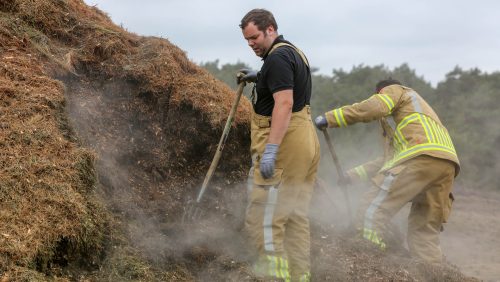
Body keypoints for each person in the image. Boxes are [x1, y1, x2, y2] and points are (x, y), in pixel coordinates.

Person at [314, 79, 460, 264]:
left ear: (380, 91)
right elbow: (388, 160)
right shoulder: (418, 120)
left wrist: (331, 117)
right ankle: (435, 272)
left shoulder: (396, 90)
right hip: (446, 165)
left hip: (419, 157)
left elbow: (374, 107)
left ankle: (370, 261)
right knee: (424, 232)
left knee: (371, 210)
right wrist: (352, 175)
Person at [237, 8, 320, 281]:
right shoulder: (293, 52)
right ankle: (299, 277)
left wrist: (272, 149)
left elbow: (284, 103)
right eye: (247, 40)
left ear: (270, 29)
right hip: (304, 137)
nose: (252, 44)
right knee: (295, 217)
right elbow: (288, 91)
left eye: (255, 37)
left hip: (284, 141)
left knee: (265, 219)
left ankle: (274, 277)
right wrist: (260, 77)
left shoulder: (278, 58)